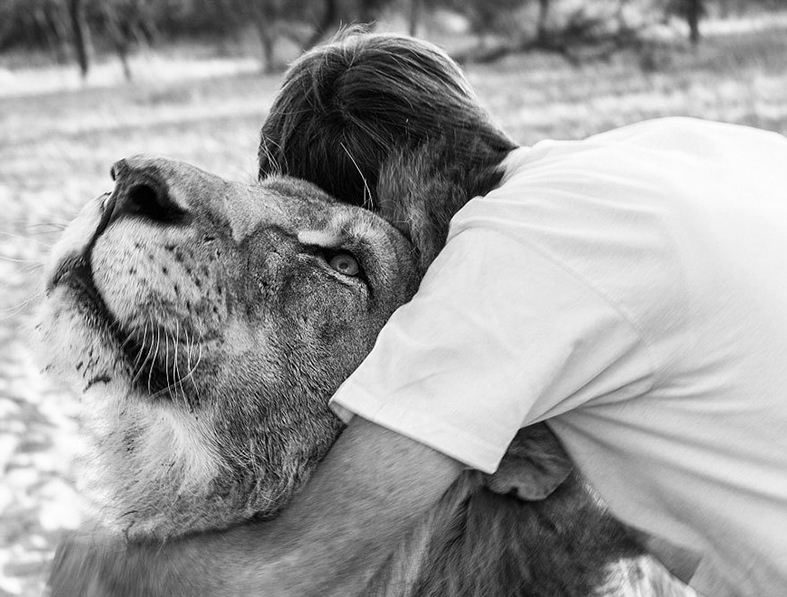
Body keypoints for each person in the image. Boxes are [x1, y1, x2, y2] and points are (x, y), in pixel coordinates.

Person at [52, 33, 787, 597]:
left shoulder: (504, 270)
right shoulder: (667, 150)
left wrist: (111, 571)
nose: (150, 180)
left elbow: (289, 562)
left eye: (338, 258)